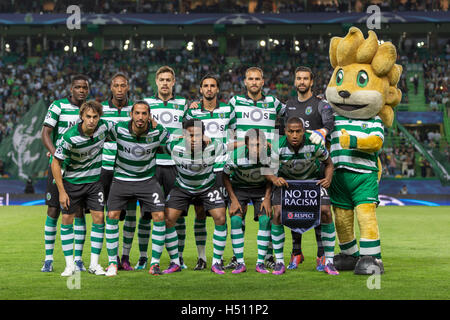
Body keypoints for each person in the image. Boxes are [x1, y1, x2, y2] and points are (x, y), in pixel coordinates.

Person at [225, 66, 285, 270]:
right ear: (244, 82)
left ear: (263, 81)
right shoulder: (235, 102)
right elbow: (223, 124)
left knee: (266, 217)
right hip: (242, 160)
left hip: (266, 162)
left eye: (257, 78)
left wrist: (274, 145)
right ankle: (236, 257)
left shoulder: (274, 103)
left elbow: (294, 113)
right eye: (250, 78)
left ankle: (267, 256)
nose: (254, 82)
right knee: (237, 219)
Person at [265, 117, 339, 275]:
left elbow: (329, 163)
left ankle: (329, 261)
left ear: (303, 131)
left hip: (312, 183)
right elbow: (267, 170)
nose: (294, 135)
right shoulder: (278, 146)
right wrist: (274, 179)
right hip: (287, 184)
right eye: (291, 131)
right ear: (285, 132)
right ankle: (279, 262)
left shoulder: (314, 144)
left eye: (298, 131)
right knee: (277, 214)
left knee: (326, 211)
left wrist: (328, 179)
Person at [104, 101, 169, 277]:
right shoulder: (118, 129)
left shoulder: (159, 132)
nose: (140, 117)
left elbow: (174, 144)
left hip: (147, 180)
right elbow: (95, 134)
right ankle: (112, 262)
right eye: (137, 113)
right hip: (121, 179)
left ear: (149, 116)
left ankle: (154, 263)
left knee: (159, 216)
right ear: (131, 114)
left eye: (144, 114)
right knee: (112, 216)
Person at [51, 100, 113, 276]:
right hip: (72, 183)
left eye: (95, 116)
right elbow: (56, 163)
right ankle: (69, 265)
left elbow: (124, 127)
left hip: (94, 182)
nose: (92, 120)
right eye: (88, 117)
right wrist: (62, 192)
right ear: (81, 117)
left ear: (99, 117)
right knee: (67, 220)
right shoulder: (69, 137)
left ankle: (94, 264)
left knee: (99, 217)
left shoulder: (104, 127)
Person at [282, 66, 335, 270]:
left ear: (311, 81)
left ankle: (322, 255)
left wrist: (322, 131)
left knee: (321, 212)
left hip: (318, 167)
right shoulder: (289, 105)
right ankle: (296, 253)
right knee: (294, 211)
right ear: (295, 82)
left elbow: (330, 122)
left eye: (305, 78)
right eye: (299, 78)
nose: (302, 81)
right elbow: (282, 128)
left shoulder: (320, 104)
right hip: (294, 168)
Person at [183, 74, 236, 270]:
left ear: (218, 89)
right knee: (199, 213)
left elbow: (233, 136)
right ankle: (202, 257)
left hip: (222, 169)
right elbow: (185, 134)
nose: (209, 89)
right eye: (205, 86)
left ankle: (224, 256)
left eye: (213, 85)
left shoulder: (228, 110)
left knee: (225, 214)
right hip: (201, 169)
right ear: (201, 89)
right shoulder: (192, 112)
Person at [163, 119, 228, 275]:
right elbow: (163, 140)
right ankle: (175, 262)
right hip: (183, 187)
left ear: (204, 136)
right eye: (190, 135)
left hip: (207, 187)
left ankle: (216, 262)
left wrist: (257, 142)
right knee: (168, 219)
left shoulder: (214, 146)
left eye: (197, 135)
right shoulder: (174, 147)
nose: (194, 139)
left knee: (220, 217)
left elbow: (234, 145)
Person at [40, 74, 89, 273]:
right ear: (71, 89)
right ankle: (48, 259)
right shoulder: (58, 106)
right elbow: (45, 133)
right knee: (53, 210)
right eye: (78, 87)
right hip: (59, 167)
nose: (81, 90)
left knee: (78, 212)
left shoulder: (90, 110)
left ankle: (78, 260)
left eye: (84, 87)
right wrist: (55, 155)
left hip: (81, 168)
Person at [143, 66, 189, 270]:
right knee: (146, 215)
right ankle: (144, 257)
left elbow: (190, 130)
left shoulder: (184, 104)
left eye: (168, 80)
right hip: (152, 164)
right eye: (161, 79)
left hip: (175, 165)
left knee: (177, 215)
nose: (164, 83)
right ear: (156, 81)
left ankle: (178, 257)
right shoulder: (147, 104)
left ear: (173, 82)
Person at [100, 73, 139, 271]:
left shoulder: (136, 110)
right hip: (106, 168)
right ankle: (112, 256)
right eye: (116, 85)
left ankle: (125, 256)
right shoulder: (102, 109)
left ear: (127, 87)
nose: (120, 89)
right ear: (111, 87)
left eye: (123, 85)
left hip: (129, 167)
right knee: (110, 214)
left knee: (131, 213)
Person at [223, 129, 275, 274]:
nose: (256, 149)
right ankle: (240, 263)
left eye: (259, 145)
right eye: (252, 145)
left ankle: (260, 263)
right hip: (240, 188)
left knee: (265, 219)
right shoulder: (235, 156)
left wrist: (268, 198)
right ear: (246, 145)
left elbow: (271, 177)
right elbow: (225, 177)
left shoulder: (270, 156)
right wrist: (233, 199)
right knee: (235, 220)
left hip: (261, 188)